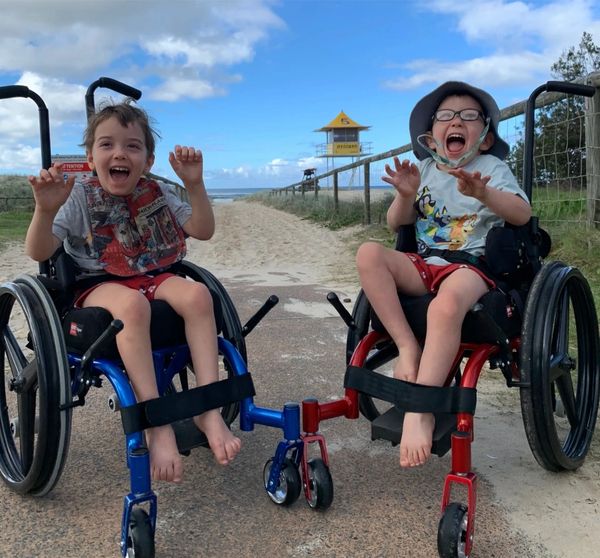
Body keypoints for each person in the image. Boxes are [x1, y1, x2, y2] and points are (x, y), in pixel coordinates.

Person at [26, 100, 241, 483]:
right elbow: (39, 252)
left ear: (149, 160)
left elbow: (203, 229)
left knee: (197, 296)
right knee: (132, 307)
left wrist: (194, 184)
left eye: (132, 146)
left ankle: (208, 407)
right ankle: (156, 423)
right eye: (107, 145)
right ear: (90, 158)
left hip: (153, 275)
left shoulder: (155, 191)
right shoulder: (78, 196)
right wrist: (44, 210)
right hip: (96, 283)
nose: (119, 153)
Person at [355, 81, 532, 469]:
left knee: (445, 306)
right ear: (431, 139)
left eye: (469, 117)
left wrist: (485, 196)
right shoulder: (424, 170)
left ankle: (421, 411)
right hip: (426, 262)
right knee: (369, 254)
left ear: (484, 139)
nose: (457, 122)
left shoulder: (491, 168)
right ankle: (407, 347)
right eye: (446, 117)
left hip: (473, 265)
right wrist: (405, 195)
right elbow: (394, 225)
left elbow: (522, 215)